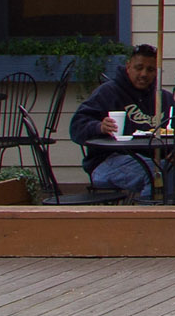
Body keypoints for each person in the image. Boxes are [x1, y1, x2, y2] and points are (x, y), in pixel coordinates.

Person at [67, 46, 161, 201]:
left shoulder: (162, 98)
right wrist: (99, 127)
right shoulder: (108, 93)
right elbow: (76, 127)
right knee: (155, 173)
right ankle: (150, 223)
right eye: (139, 68)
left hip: (155, 159)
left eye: (150, 70)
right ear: (128, 66)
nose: (144, 74)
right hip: (107, 161)